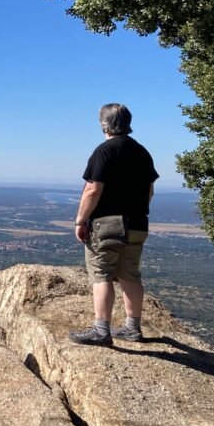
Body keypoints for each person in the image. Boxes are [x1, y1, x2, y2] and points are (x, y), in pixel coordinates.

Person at [70, 103, 159, 346]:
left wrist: (80, 221)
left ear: (103, 124)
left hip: (107, 224)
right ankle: (132, 328)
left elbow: (93, 190)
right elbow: (149, 189)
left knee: (101, 275)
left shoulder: (104, 151)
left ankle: (101, 331)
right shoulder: (142, 152)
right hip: (138, 223)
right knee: (130, 274)